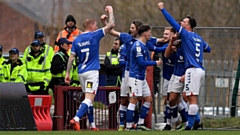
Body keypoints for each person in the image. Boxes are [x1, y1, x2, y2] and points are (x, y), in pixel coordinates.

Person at [158, 2, 211, 130]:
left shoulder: (186, 36)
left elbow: (171, 21)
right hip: (196, 69)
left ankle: (191, 125)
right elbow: (208, 49)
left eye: (184, 22)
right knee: (184, 97)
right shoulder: (198, 38)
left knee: (191, 98)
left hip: (192, 69)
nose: (182, 23)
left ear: (189, 26)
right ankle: (193, 122)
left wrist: (162, 9)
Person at [64, 5, 115, 131]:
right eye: (96, 25)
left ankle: (92, 125)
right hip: (92, 72)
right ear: (91, 26)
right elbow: (111, 25)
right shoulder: (94, 35)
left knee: (88, 99)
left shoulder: (76, 40)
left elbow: (71, 58)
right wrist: (111, 11)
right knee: (89, 98)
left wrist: (68, 73)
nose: (97, 28)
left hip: (81, 72)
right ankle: (76, 119)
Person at [126, 24, 162, 131]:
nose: (151, 34)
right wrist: (155, 63)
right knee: (133, 100)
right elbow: (141, 62)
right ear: (145, 34)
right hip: (135, 77)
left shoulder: (146, 44)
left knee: (148, 99)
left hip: (142, 78)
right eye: (150, 32)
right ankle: (128, 126)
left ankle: (140, 123)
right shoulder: (138, 46)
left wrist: (171, 45)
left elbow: (159, 48)